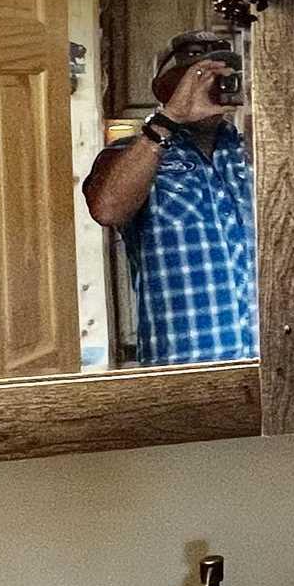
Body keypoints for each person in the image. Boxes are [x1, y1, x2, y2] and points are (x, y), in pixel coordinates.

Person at [84, 30, 257, 365]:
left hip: (269, 367)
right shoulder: (129, 156)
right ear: (166, 86)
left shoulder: (254, 150)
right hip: (186, 367)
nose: (212, 86)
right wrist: (170, 119)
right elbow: (107, 210)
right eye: (198, 76)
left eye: (222, 76)